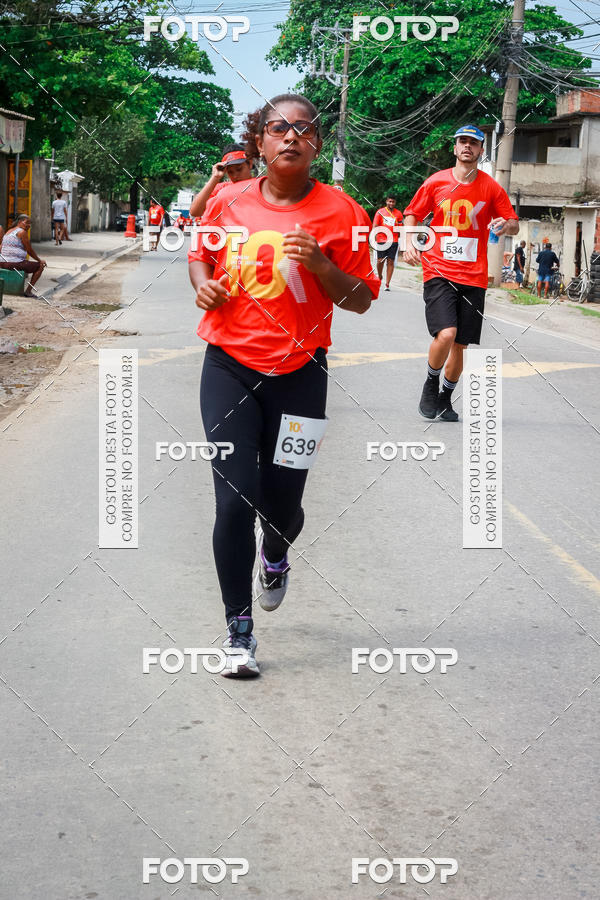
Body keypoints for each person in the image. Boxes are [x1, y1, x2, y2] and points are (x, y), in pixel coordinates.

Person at [189, 93, 379, 677]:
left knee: (282, 507)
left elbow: (363, 300)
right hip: (228, 366)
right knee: (232, 501)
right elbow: (200, 256)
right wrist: (204, 285)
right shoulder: (227, 199)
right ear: (259, 142)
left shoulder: (344, 212)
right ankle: (238, 631)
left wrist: (323, 267)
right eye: (278, 128)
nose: (291, 136)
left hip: (301, 375)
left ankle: (276, 553)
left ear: (317, 144)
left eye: (303, 129)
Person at [404, 124, 519, 421]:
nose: (467, 146)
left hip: (474, 276)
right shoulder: (436, 182)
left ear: (481, 151)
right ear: (455, 148)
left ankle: (445, 398)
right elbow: (412, 212)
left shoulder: (491, 187)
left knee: (461, 344)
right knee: (447, 333)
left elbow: (513, 222)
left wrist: (505, 225)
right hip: (439, 270)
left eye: (474, 143)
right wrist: (409, 239)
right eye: (462, 141)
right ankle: (430, 385)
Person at [189, 144, 254, 219]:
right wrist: (215, 177)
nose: (235, 176)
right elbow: (195, 212)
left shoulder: (262, 187)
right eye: (230, 172)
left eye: (239, 169)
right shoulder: (220, 189)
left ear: (250, 164)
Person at [0, 214, 47, 296]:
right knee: (40, 266)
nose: (29, 225)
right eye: (27, 223)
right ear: (20, 222)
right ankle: (28, 291)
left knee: (26, 263)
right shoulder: (22, 232)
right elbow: (30, 251)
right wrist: (39, 260)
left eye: (30, 224)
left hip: (2, 262)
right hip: (13, 263)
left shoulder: (9, 231)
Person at [372, 196, 403, 290]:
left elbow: (401, 227)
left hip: (393, 240)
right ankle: (380, 275)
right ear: (386, 201)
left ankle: (387, 283)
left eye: (393, 202)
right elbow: (375, 226)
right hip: (381, 240)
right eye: (390, 201)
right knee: (380, 260)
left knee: (390, 261)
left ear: (395, 202)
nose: (391, 203)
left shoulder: (398, 213)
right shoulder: (380, 212)